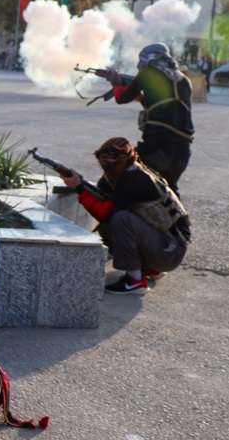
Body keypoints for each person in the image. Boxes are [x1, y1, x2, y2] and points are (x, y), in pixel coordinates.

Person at [56, 137, 190, 295]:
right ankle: (149, 268)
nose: (106, 167)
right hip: (167, 247)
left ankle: (135, 280)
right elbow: (104, 195)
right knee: (116, 218)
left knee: (120, 219)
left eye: (110, 162)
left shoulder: (133, 179)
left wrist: (79, 188)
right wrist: (82, 184)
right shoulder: (132, 170)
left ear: (122, 160)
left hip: (169, 253)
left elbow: (104, 213)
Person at [106, 42, 194, 195]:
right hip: (183, 150)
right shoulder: (184, 80)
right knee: (169, 192)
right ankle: (178, 219)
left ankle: (112, 216)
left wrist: (116, 83)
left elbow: (121, 97)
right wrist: (142, 97)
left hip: (157, 145)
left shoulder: (147, 74)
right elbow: (164, 106)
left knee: (116, 177)